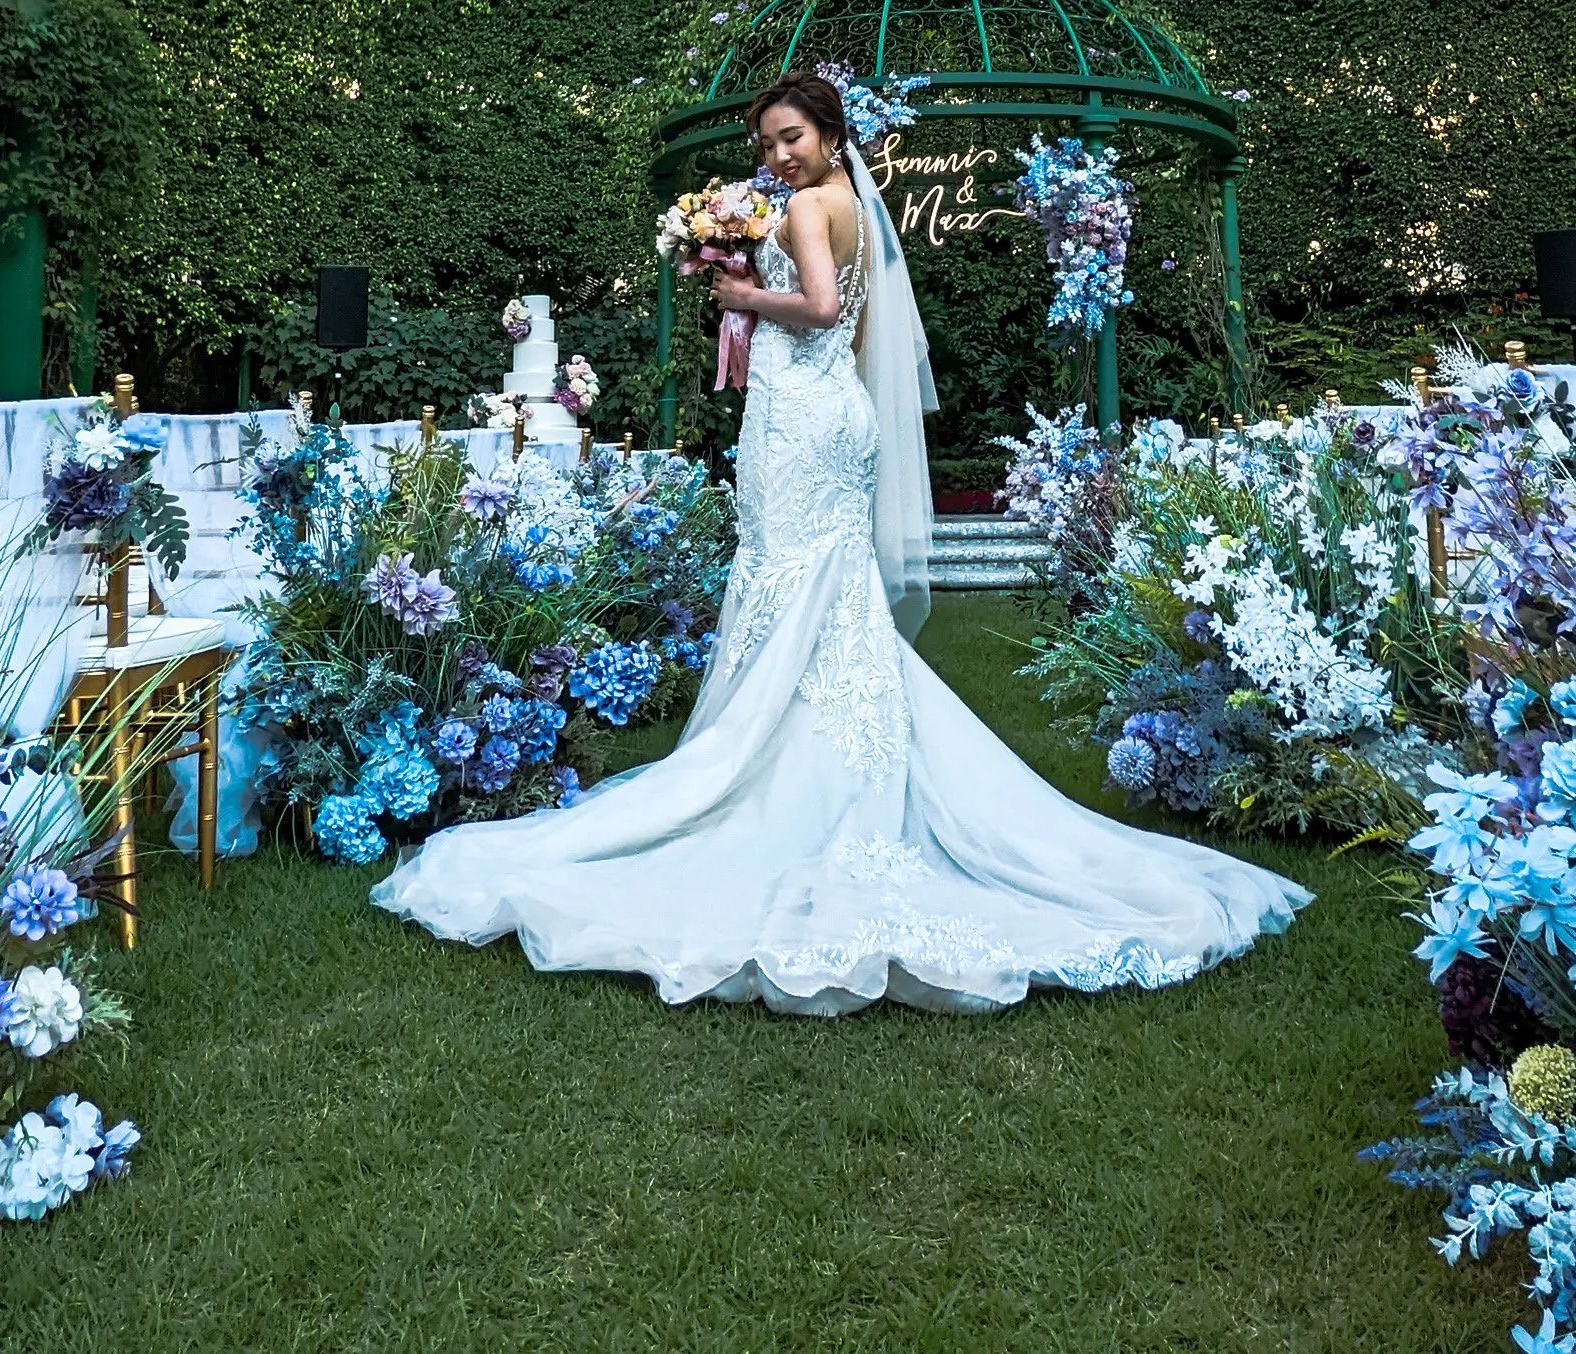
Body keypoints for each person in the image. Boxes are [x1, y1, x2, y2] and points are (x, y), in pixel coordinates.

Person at [373, 72, 1309, 1013]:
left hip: (801, 425)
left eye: (791, 138)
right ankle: (815, 758)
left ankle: (778, 774)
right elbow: (852, 325)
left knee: (793, 576)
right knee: (822, 585)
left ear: (829, 133)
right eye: (766, 145)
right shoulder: (853, 202)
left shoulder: (812, 210)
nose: (777, 156)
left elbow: (820, 310)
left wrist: (740, 295)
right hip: (829, 415)